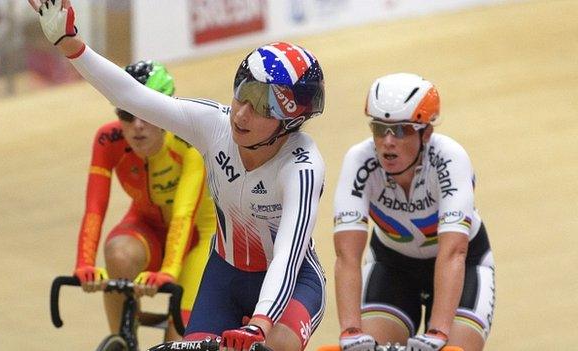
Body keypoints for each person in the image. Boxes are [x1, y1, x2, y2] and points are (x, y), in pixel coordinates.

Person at [28, 1, 326, 351]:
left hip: (292, 284)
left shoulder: (302, 166)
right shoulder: (214, 124)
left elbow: (288, 255)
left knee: (277, 346)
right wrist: (71, 44)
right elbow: (132, 96)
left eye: (261, 107)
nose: (241, 114)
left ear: (289, 122)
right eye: (242, 94)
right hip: (225, 276)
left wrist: (260, 325)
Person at [333, 73, 495, 351]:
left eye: (401, 130)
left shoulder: (450, 158)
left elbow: (454, 251)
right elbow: (347, 255)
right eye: (379, 128)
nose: (387, 141)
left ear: (426, 133)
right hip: (392, 265)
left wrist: (438, 332)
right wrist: (351, 331)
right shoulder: (359, 160)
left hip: (463, 265)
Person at [73, 59, 217, 342]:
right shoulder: (108, 139)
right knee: (117, 253)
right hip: (147, 228)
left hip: (200, 238)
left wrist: (168, 272)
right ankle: (123, 342)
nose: (137, 126)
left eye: (148, 112)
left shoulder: (189, 142)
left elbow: (184, 215)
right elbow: (94, 208)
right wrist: (84, 264)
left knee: (177, 342)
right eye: (127, 114)